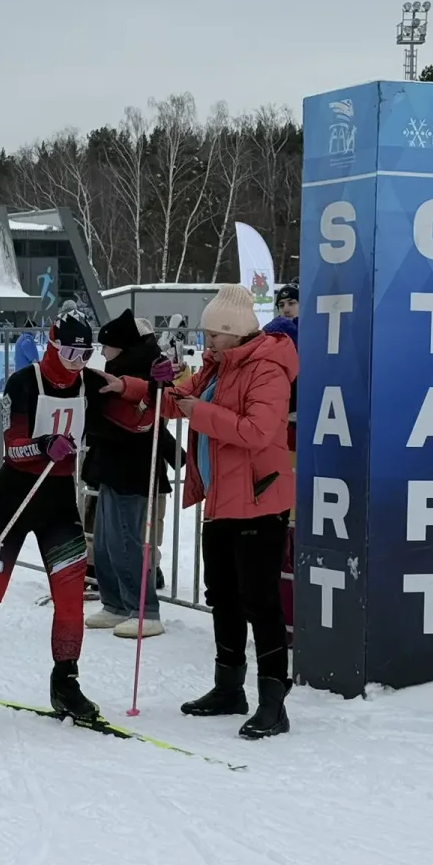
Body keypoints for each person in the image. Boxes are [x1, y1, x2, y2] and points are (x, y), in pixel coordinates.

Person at [0, 311, 173, 721]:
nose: (76, 361)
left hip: (58, 503)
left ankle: (66, 683)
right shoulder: (23, 382)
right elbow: (13, 446)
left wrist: (155, 387)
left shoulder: (89, 383)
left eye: (84, 352)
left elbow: (139, 423)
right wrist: (43, 445)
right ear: (51, 341)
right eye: (68, 350)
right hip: (13, 499)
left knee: (69, 598)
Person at [160, 283, 297, 739]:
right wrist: (143, 385)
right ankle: (228, 687)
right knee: (222, 594)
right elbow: (179, 401)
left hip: (259, 502)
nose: (206, 343)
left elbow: (257, 431)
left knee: (259, 599)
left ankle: (274, 701)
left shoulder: (268, 369)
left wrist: (198, 412)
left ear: (235, 333)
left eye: (214, 335)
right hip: (220, 500)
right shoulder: (217, 367)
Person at [82, 309, 178, 639]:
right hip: (110, 463)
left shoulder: (147, 369)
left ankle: (144, 609)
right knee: (106, 540)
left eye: (106, 345)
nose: (102, 351)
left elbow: (157, 408)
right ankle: (116, 602)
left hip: (133, 466)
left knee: (126, 540)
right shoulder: (118, 368)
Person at [263, 283, 300, 648]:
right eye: (282, 304)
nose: (287, 308)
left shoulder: (310, 344)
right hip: (280, 439)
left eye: (292, 302)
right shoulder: (276, 340)